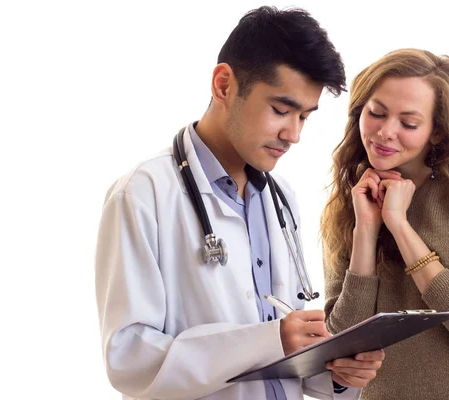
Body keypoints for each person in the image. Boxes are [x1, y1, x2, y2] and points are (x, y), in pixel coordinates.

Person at [95, 6, 384, 400]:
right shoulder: (144, 193)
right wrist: (267, 340)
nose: (293, 134)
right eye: (281, 110)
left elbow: (294, 348)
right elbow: (128, 359)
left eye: (305, 116)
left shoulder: (281, 199)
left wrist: (336, 373)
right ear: (223, 85)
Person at [320, 48, 449, 400]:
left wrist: (399, 225)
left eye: (409, 123)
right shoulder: (355, 197)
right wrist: (366, 231)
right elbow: (344, 341)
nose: (386, 132)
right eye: (376, 113)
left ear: (436, 133)